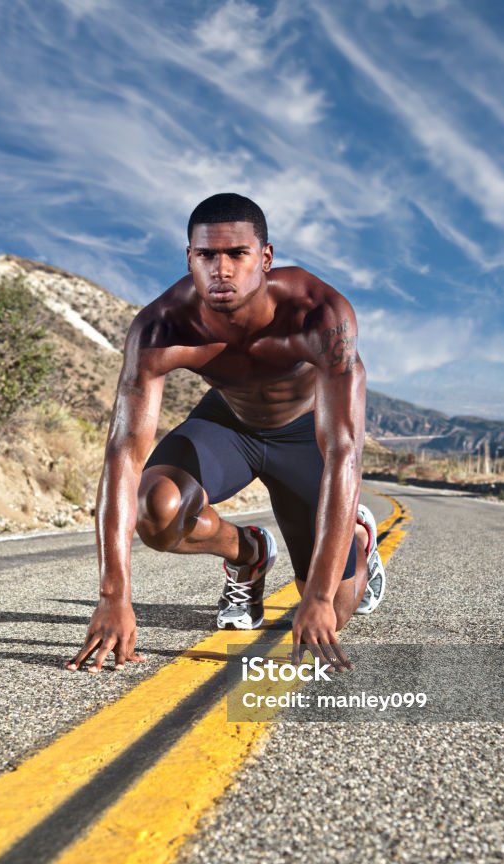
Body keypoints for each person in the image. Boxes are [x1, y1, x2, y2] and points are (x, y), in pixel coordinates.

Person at [66, 193, 385, 675]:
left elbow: (344, 452)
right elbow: (123, 456)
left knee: (333, 611)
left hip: (306, 434)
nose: (222, 269)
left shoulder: (318, 314)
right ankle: (250, 553)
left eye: (237, 254)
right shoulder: (161, 327)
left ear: (266, 258)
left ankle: (356, 539)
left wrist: (317, 596)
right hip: (228, 423)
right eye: (206, 255)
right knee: (156, 510)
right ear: (189, 258)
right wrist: (114, 595)